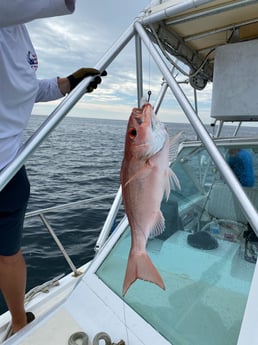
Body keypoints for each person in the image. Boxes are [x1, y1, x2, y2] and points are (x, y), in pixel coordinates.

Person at [0, 0, 106, 334]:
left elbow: (28, 89)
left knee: (8, 253)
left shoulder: (19, 32)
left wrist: (68, 83)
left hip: (10, 169)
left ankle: (18, 320)